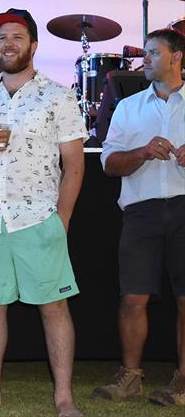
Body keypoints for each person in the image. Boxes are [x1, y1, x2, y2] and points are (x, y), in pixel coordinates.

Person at [0, 9, 86, 417]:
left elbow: (75, 165)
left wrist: (60, 220)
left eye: (16, 37)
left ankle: (63, 398)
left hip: (38, 219)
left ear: (33, 45)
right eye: (2, 38)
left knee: (53, 307)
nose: (8, 44)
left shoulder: (58, 96)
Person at [93, 28, 185, 407]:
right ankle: (130, 377)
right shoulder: (129, 107)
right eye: (145, 53)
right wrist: (143, 152)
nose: (144, 59)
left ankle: (183, 381)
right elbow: (109, 164)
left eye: (153, 53)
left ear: (177, 57)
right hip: (141, 211)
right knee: (133, 297)